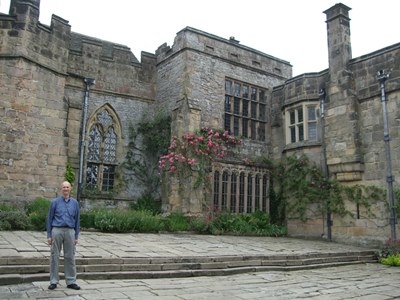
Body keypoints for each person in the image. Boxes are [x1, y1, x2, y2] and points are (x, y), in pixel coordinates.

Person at [46, 181, 81, 290]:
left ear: (70, 189)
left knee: (70, 256)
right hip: (57, 230)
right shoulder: (55, 202)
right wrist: (49, 235)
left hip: (70, 231)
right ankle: (53, 281)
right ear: (61, 189)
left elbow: (77, 221)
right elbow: (49, 219)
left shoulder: (75, 203)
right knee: (54, 256)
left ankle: (71, 281)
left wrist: (76, 236)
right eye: (64, 187)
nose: (65, 189)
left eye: (67, 187)